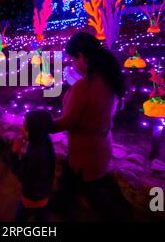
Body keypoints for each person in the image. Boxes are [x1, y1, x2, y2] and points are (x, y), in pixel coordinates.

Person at [51, 32, 132, 221]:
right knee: (71, 178)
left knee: (96, 195)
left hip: (85, 153)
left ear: (81, 56)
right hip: (101, 146)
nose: (71, 64)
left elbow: (67, 121)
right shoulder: (109, 77)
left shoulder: (84, 86)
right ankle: (59, 204)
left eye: (72, 59)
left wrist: (41, 125)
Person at [10, 110, 55, 222]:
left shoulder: (35, 155)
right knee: (41, 215)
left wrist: (14, 153)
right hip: (45, 191)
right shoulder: (45, 140)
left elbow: (20, 173)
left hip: (31, 196)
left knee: (20, 217)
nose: (22, 129)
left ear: (35, 130)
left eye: (26, 127)